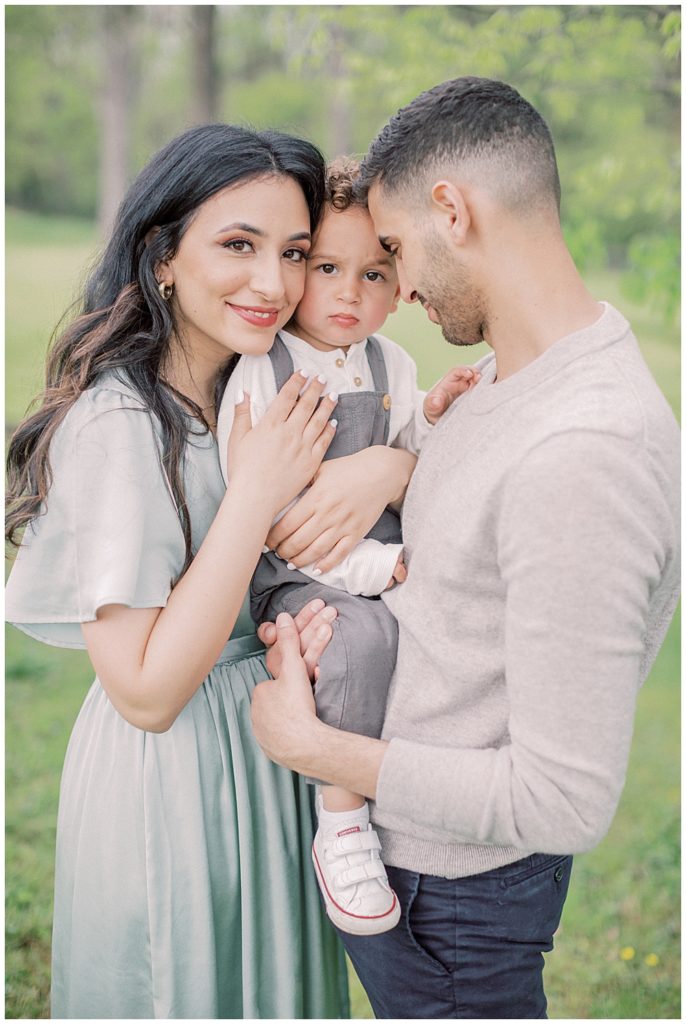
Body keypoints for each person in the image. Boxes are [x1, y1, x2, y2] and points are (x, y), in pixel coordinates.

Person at [249, 77, 681, 1019]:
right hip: (419, 860)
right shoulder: (510, 377)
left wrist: (320, 750)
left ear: (453, 210)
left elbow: (561, 801)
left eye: (395, 250)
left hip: (457, 900)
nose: (396, 287)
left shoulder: (586, 455)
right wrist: (400, 467)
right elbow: (481, 536)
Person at [4, 123, 419, 1019]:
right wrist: (256, 490)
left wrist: (392, 466)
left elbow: (372, 469)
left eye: (295, 253)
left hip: (277, 752)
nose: (273, 285)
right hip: (174, 775)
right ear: (162, 257)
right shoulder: (121, 426)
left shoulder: (271, 384)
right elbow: (147, 692)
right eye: (238, 246)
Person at [216, 156, 479, 937]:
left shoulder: (389, 362)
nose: (349, 292)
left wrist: (431, 417)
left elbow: (408, 470)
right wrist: (378, 570)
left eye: (374, 274)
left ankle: (436, 800)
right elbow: (273, 522)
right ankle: (343, 821)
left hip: (380, 554)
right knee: (361, 640)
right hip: (299, 573)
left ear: (400, 288)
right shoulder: (264, 370)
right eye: (326, 267)